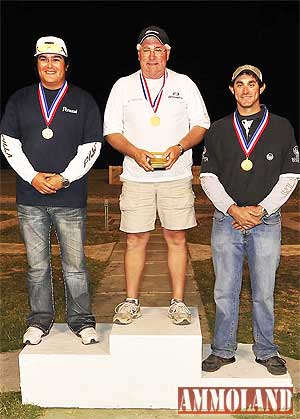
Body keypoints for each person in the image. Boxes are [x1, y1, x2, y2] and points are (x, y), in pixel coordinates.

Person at [104, 25, 210, 325]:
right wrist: (135, 153)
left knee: (176, 238)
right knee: (135, 239)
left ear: (167, 53)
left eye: (158, 49)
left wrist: (179, 147)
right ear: (138, 53)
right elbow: (111, 131)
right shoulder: (123, 86)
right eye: (146, 49)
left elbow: (201, 124)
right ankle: (131, 301)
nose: (152, 55)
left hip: (175, 177)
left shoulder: (184, 83)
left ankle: (177, 302)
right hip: (137, 178)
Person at [0, 36, 103, 345]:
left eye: (56, 59)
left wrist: (65, 178)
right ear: (37, 65)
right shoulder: (19, 100)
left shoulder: (83, 101)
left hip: (69, 198)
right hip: (30, 198)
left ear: (66, 65)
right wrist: (33, 177)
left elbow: (92, 146)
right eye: (43, 59)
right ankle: (40, 320)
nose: (49, 65)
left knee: (75, 266)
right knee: (37, 266)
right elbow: (8, 142)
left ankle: (82, 321)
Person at [200, 64, 299, 375]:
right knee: (224, 289)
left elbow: (290, 176)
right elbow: (207, 176)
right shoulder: (217, 129)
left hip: (265, 221)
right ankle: (223, 349)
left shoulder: (282, 127)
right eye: (239, 84)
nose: (245, 89)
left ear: (262, 88)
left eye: (251, 84)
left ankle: (266, 350)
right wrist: (233, 209)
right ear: (232, 90)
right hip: (226, 220)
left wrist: (261, 210)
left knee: (264, 290)